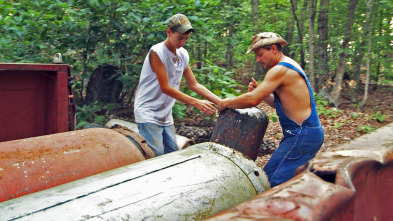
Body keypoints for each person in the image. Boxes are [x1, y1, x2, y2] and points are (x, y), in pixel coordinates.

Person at [218, 32, 324, 187]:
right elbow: (280, 104)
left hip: (302, 135)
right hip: (306, 134)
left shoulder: (279, 70)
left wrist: (225, 102)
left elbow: (252, 99)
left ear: (274, 49)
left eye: (260, 54)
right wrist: (263, 92)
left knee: (269, 183)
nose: (258, 59)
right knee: (286, 180)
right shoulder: (288, 65)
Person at [134, 14, 221, 157]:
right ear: (169, 32)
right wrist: (196, 102)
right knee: (156, 156)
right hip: (148, 111)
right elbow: (166, 87)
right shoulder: (157, 52)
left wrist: (220, 102)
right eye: (180, 38)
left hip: (165, 113)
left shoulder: (182, 54)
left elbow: (194, 84)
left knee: (173, 155)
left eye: (186, 38)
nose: (183, 42)